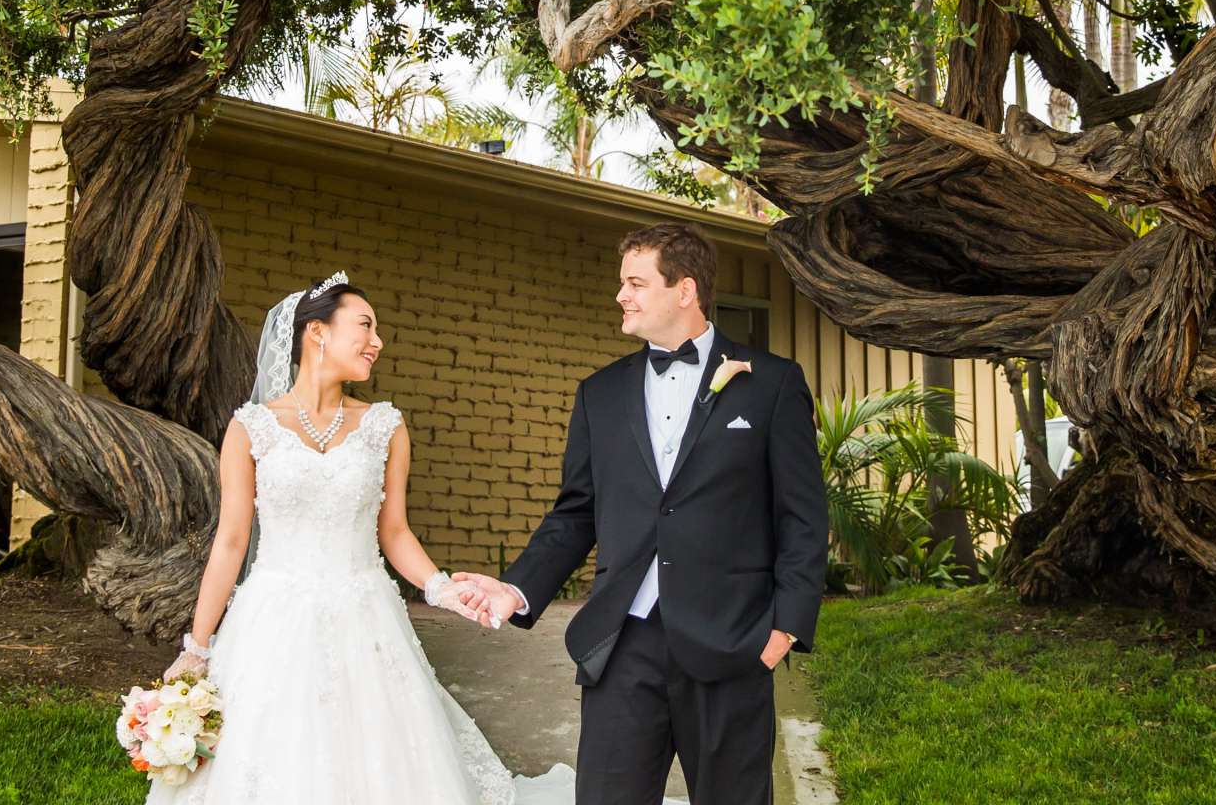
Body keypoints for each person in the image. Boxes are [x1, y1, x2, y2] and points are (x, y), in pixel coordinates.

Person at [148, 274, 583, 804]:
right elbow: (232, 541)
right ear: (317, 332)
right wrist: (197, 646)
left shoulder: (385, 426)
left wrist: (440, 588)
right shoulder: (251, 428)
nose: (377, 341)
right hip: (272, 620)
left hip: (366, 615)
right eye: (365, 326)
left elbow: (395, 533)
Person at [451, 224, 829, 805]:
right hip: (622, 643)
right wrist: (516, 590)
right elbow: (576, 514)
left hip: (732, 641)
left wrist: (785, 628)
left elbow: (803, 515)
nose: (620, 296)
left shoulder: (772, 384)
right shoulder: (598, 394)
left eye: (635, 282)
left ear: (685, 290)